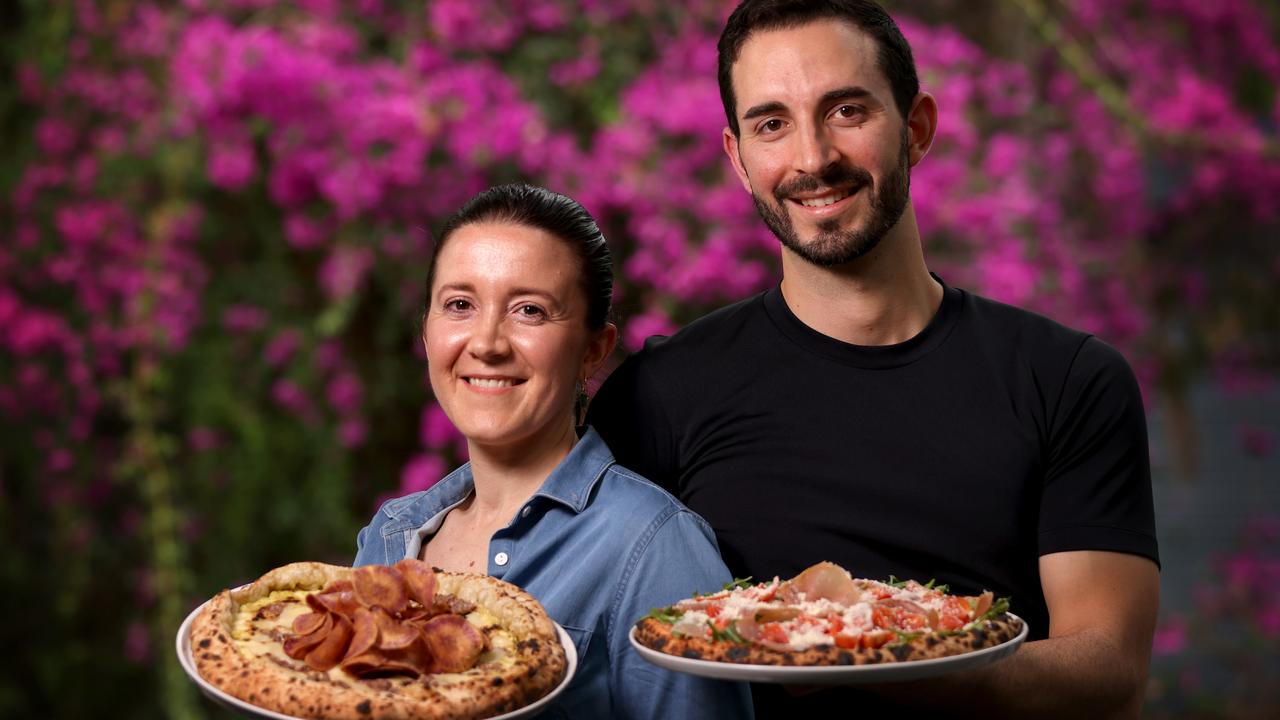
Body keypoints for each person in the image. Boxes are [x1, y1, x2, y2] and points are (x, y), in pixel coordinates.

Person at [587, 0, 1160, 716]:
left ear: (915, 128)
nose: (812, 158)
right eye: (772, 124)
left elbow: (1110, 671)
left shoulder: (1070, 380)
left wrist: (901, 655)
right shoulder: (657, 396)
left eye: (847, 111)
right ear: (738, 158)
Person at [354, 184, 753, 719]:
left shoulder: (655, 548)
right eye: (459, 305)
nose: (488, 343)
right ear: (427, 333)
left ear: (593, 351)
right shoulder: (389, 536)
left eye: (530, 311)